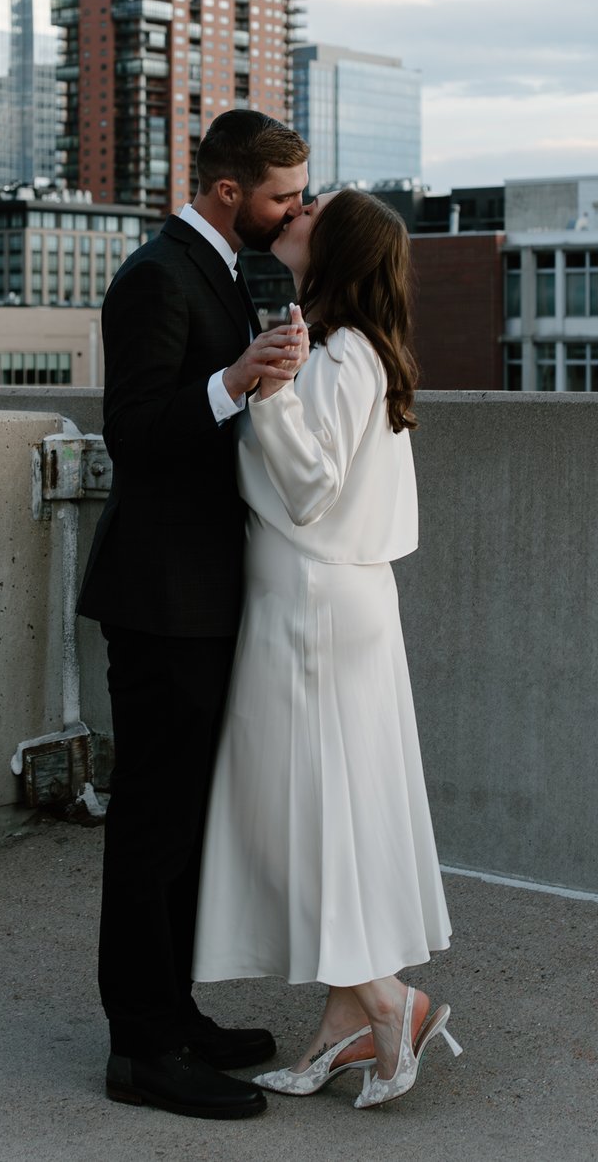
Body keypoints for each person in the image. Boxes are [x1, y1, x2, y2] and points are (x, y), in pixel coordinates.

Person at [192, 187, 460, 1110]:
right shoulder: (346, 347)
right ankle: (348, 1013)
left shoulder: (343, 354)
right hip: (323, 599)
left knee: (308, 809)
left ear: (334, 244)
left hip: (314, 601)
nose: (294, 213)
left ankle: (388, 1001)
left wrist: (264, 387)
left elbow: (308, 483)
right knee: (325, 808)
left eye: (312, 209)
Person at [80, 110, 312, 1121]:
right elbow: (130, 432)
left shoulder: (222, 268)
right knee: (151, 826)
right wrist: (235, 378)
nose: (292, 210)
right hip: (159, 598)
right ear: (228, 190)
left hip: (204, 594)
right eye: (280, 196)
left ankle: (174, 1013)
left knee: (183, 824)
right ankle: (140, 1046)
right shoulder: (153, 275)